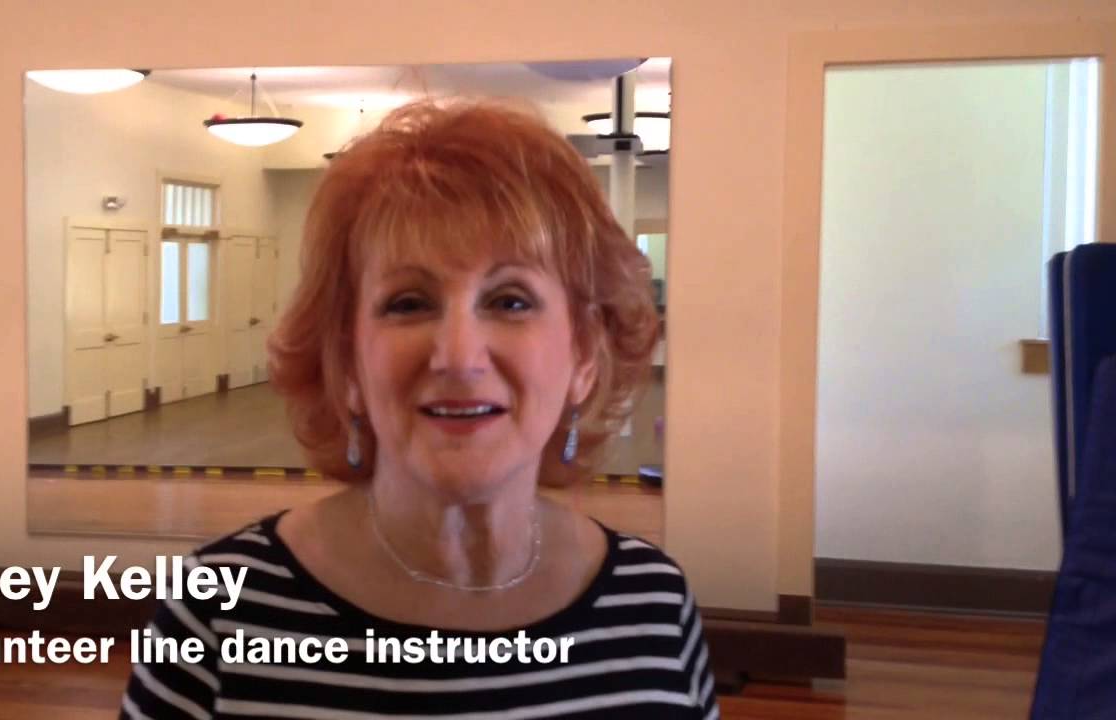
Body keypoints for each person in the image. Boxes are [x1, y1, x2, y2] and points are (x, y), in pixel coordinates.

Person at [120, 98, 718, 719]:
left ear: (585, 356)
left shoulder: (656, 605)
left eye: (511, 301)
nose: (458, 356)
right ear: (346, 363)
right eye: (408, 303)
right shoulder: (217, 611)